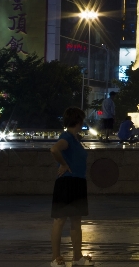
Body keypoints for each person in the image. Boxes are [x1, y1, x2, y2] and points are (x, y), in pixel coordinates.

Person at [50, 107, 94, 267]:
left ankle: (77, 257)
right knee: (60, 220)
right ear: (78, 121)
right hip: (67, 182)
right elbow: (54, 149)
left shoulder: (75, 139)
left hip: (78, 182)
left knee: (76, 220)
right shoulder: (66, 137)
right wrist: (63, 164)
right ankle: (56, 258)